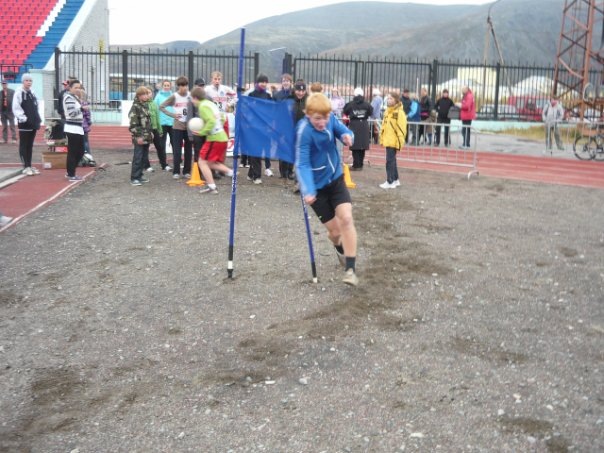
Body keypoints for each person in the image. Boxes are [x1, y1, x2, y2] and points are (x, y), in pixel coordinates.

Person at [295, 93, 358, 286]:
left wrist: (348, 137)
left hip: (335, 178)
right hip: (317, 188)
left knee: (346, 219)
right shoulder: (304, 132)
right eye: (317, 118)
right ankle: (338, 246)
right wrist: (308, 189)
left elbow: (344, 131)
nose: (322, 122)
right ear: (308, 114)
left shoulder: (330, 120)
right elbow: (302, 164)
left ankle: (350, 270)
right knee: (335, 232)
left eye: (325, 117)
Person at [190, 87, 234, 194]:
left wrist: (202, 132)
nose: (192, 101)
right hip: (221, 137)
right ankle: (217, 183)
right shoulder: (210, 104)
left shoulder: (202, 106)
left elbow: (211, 121)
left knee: (202, 162)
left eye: (192, 98)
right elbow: (222, 117)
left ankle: (226, 176)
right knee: (209, 163)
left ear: (195, 98)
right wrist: (218, 128)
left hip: (214, 138)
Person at [159, 76, 193, 179]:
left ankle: (187, 171)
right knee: (177, 151)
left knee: (188, 150)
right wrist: (172, 115)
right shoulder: (174, 96)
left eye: (185, 85)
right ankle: (176, 171)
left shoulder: (190, 95)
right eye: (182, 86)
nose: (184, 88)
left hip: (189, 127)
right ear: (178, 86)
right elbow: (161, 106)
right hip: (177, 127)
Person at [12, 73, 42, 176]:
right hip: (24, 124)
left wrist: (36, 119)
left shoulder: (32, 93)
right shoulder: (19, 93)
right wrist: (23, 118)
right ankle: (25, 166)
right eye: (27, 80)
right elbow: (16, 107)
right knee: (24, 145)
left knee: (30, 145)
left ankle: (29, 165)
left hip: (33, 123)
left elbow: (35, 106)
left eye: (30, 81)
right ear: (23, 81)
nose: (29, 82)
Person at [246, 73, 274, 183]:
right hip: (253, 128)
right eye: (261, 82)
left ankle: (251, 173)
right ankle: (257, 176)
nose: (263, 84)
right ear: (257, 83)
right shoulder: (251, 95)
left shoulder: (268, 96)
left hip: (265, 128)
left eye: (265, 82)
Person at [379, 92, 407, 189]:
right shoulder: (388, 111)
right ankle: (395, 180)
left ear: (396, 100)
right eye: (388, 98)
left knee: (389, 162)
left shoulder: (399, 113)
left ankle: (390, 181)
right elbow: (384, 126)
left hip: (393, 141)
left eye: (391, 98)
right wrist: (382, 138)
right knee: (392, 161)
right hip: (388, 139)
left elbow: (401, 129)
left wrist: (399, 142)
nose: (388, 100)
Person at [343, 87, 373, 171]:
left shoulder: (350, 104)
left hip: (354, 124)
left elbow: (345, 111)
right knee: (362, 146)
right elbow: (371, 111)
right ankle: (360, 164)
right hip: (364, 125)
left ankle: (356, 165)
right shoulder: (367, 104)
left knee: (355, 145)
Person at [128, 86, 153, 186]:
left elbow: (147, 122)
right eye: (145, 94)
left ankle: (139, 176)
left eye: (147, 94)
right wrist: (138, 136)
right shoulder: (135, 107)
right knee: (138, 157)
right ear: (139, 96)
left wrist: (150, 133)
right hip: (139, 137)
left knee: (143, 158)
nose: (147, 96)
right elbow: (133, 124)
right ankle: (134, 178)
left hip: (146, 136)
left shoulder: (145, 106)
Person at [62, 79, 85, 181]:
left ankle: (70, 171)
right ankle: (71, 174)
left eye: (79, 88)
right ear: (70, 88)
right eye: (75, 88)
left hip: (78, 128)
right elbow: (72, 113)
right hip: (72, 128)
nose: (78, 89)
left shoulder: (75, 97)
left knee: (80, 151)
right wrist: (82, 108)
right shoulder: (68, 98)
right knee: (73, 152)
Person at [145, 87, 170, 172]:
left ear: (152, 94)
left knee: (160, 147)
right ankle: (147, 166)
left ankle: (164, 165)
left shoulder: (154, 104)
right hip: (146, 130)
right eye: (146, 93)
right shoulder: (143, 104)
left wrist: (160, 129)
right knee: (145, 148)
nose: (148, 94)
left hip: (155, 128)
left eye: (149, 92)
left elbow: (158, 117)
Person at [154, 79, 174, 170]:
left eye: (168, 85)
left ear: (170, 86)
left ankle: (177, 161)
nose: (166, 87)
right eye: (165, 85)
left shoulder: (173, 96)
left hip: (172, 123)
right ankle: (164, 164)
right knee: (162, 144)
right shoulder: (158, 96)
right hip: (162, 123)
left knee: (175, 144)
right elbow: (155, 108)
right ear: (162, 86)